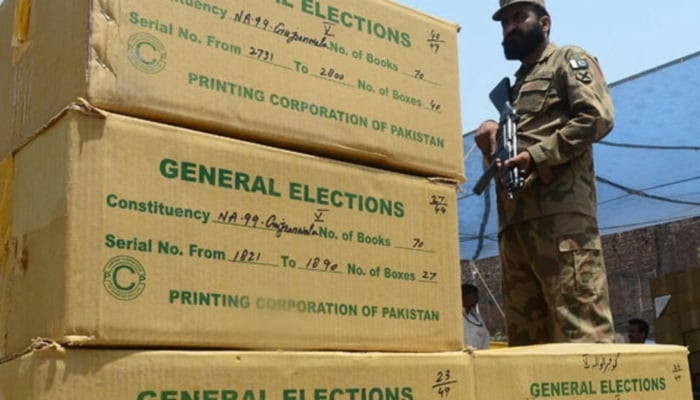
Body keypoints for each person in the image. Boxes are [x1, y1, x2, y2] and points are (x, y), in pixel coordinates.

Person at [474, 0, 615, 346]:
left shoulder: (567, 59)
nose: (510, 27)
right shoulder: (513, 91)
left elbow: (596, 118)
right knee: (528, 349)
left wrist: (537, 156)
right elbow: (505, 161)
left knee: (583, 336)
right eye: (505, 21)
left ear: (545, 22)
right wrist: (489, 140)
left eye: (519, 17)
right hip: (516, 228)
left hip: (562, 223)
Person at [462, 283, 490, 349]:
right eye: (474, 295)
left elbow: (486, 337)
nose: (477, 299)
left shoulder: (478, 319)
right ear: (463, 296)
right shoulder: (456, 317)